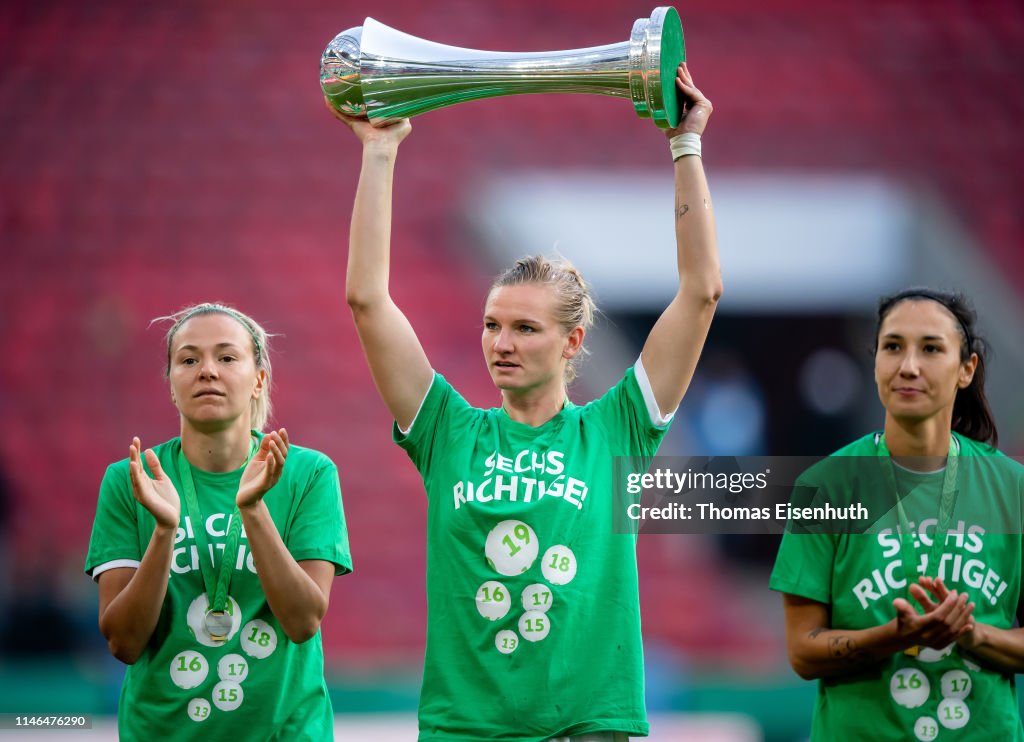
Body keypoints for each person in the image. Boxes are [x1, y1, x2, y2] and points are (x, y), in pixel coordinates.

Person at [330, 62, 719, 741]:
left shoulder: (616, 427)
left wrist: (685, 147)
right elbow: (367, 300)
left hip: (589, 727)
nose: (500, 343)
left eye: (524, 328)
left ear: (572, 343)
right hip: (466, 730)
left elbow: (701, 293)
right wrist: (379, 150)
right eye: (492, 325)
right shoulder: (447, 431)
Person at [85, 303, 351, 740]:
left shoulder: (309, 474)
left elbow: (303, 621)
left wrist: (253, 510)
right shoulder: (131, 480)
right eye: (188, 360)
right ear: (171, 384)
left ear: (258, 379)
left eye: (227, 357)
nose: (207, 371)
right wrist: (164, 532)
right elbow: (123, 643)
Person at [770, 289, 1024, 741]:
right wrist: (894, 635)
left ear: (966, 370)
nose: (908, 366)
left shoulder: (1014, 489)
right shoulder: (826, 486)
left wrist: (972, 634)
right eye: (893, 347)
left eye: (930, 348)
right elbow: (803, 653)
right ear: (875, 365)